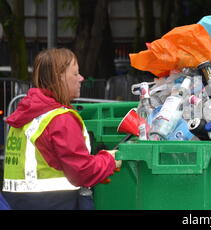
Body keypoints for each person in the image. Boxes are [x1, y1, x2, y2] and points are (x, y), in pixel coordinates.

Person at [1, 48, 121, 210]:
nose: (81, 78)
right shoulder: (61, 119)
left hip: (17, 202)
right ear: (60, 77)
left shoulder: (24, 115)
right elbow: (82, 172)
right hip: (55, 203)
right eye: (75, 74)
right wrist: (109, 160)